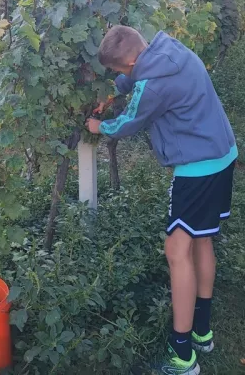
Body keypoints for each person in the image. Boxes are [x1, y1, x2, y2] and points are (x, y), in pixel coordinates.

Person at [86, 26, 236, 375]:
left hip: (197, 169)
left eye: (122, 71)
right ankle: (202, 331)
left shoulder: (154, 86)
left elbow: (130, 121)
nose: (122, 77)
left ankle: (182, 355)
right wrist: (114, 91)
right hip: (221, 153)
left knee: (176, 252)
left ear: (134, 61)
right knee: (201, 240)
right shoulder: (170, 49)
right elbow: (137, 77)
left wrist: (99, 127)